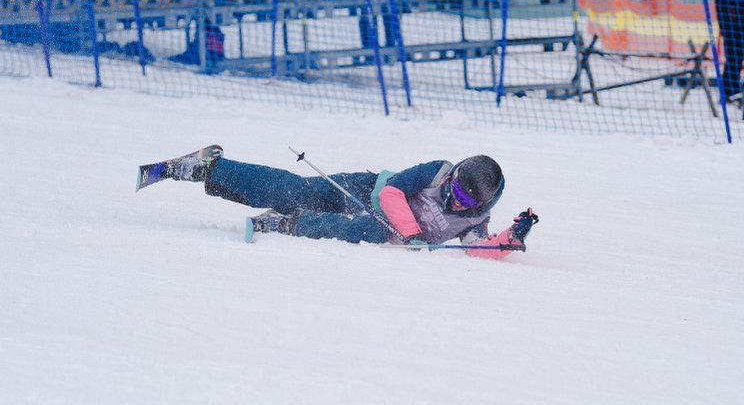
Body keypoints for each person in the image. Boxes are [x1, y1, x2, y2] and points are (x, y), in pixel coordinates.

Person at [137, 145, 539, 259]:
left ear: (480, 204)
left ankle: (284, 223)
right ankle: (205, 168)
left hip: (375, 223)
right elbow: (392, 191)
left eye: (465, 197)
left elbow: (477, 250)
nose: (454, 195)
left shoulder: (474, 221)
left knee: (364, 230)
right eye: (455, 185)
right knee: (291, 190)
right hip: (365, 190)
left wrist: (510, 239)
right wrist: (412, 232)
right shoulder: (437, 170)